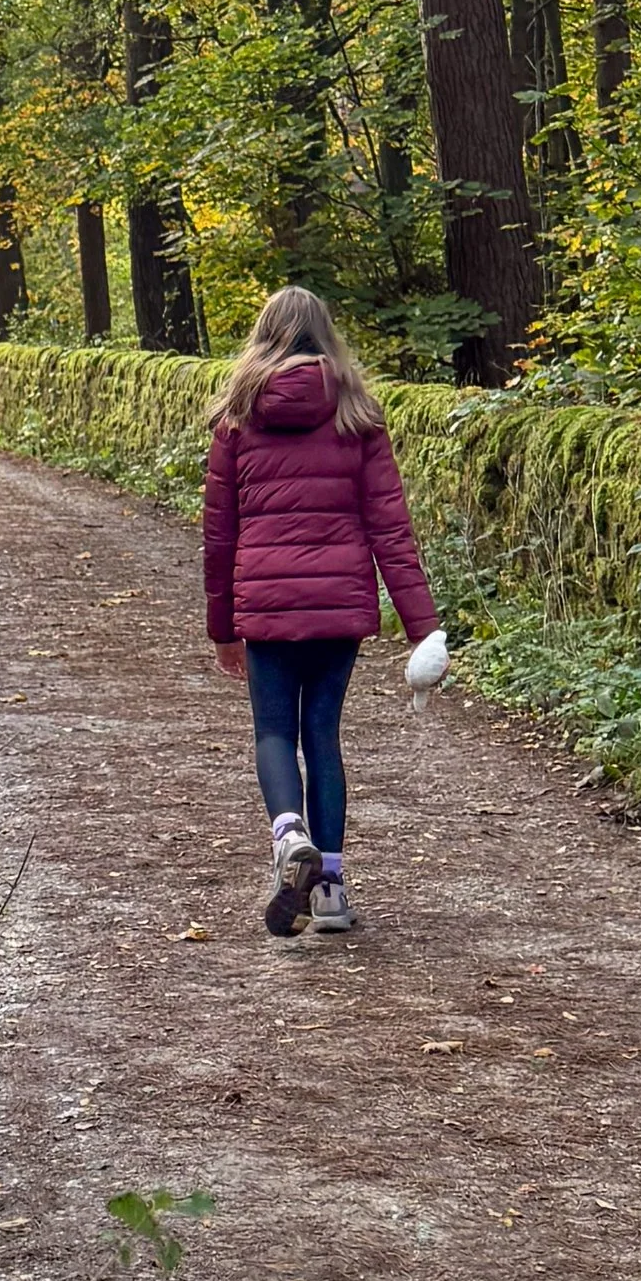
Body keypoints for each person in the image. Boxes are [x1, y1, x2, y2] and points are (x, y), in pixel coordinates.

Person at [201, 286, 446, 937]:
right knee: (323, 737)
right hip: (339, 605)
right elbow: (391, 528)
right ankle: (331, 890)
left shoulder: (238, 416)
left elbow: (219, 535)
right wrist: (424, 628)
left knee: (273, 733)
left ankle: (288, 836)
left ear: (264, 335)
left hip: (266, 602)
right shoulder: (356, 413)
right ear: (327, 335)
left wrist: (222, 627)